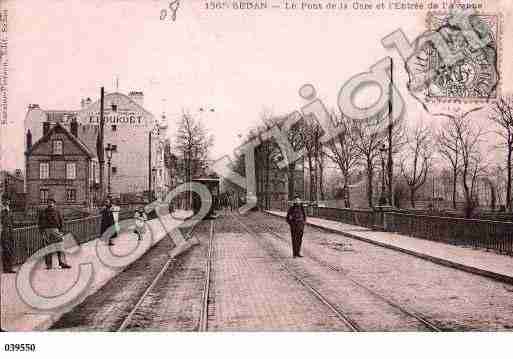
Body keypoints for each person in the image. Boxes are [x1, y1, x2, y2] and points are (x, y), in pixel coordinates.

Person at [38, 198, 71, 270]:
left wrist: (61, 231)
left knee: (60, 246)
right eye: (49, 202)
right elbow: (39, 223)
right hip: (46, 231)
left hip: (56, 230)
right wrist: (42, 232)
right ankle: (49, 265)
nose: (50, 204)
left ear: (54, 204)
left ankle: (62, 263)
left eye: (52, 202)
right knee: (48, 248)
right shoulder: (43, 212)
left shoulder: (57, 211)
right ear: (47, 204)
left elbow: (61, 221)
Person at [1, 194, 16, 273]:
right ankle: (6, 268)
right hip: (4, 231)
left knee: (11, 249)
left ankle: (9, 268)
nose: (7, 202)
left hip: (10, 231)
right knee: (6, 249)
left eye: (8, 200)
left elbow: (12, 221)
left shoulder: (9, 210)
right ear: (3, 200)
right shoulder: (2, 210)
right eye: (5, 200)